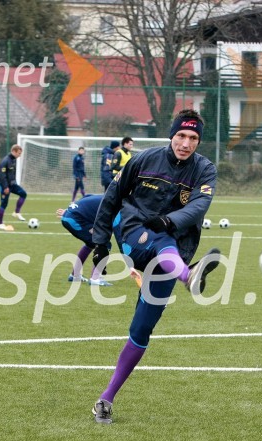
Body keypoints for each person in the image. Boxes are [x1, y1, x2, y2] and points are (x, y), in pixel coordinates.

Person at [90, 109, 221, 424]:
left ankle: (105, 399)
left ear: (198, 141)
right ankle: (189, 277)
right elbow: (112, 196)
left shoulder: (205, 170)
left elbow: (200, 205)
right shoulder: (144, 160)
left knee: (141, 329)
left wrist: (169, 219)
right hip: (135, 233)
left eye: (192, 138)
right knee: (161, 241)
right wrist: (99, 241)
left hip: (172, 252)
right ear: (171, 135)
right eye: (181, 136)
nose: (186, 143)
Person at [0, 144, 28, 231]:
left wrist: (14, 183)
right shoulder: (5, 161)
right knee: (4, 204)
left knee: (23, 193)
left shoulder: (13, 160)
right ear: (13, 151)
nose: (19, 155)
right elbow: (2, 176)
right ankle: (0, 224)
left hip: (12, 184)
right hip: (4, 185)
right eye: (19, 153)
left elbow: (11, 174)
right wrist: (5, 187)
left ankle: (16, 212)